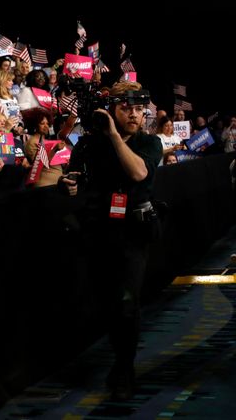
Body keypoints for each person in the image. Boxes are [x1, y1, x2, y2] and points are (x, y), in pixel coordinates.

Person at [59, 81, 162, 400]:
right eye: (125, 108)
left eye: (138, 108)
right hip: (98, 231)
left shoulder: (150, 141)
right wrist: (68, 184)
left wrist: (115, 136)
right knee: (106, 304)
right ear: (111, 109)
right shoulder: (88, 145)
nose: (134, 114)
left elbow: (138, 173)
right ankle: (121, 361)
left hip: (134, 233)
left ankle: (124, 368)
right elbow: (71, 177)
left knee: (127, 303)